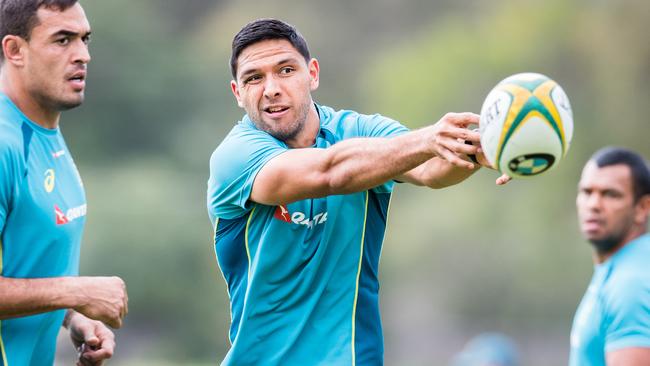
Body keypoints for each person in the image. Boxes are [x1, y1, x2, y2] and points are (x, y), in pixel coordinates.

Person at [207, 18, 508, 365]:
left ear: (313, 74)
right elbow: (329, 172)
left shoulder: (360, 131)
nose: (271, 88)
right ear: (237, 93)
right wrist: (428, 140)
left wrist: (472, 150)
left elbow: (428, 169)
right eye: (254, 78)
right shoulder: (234, 157)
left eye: (286, 70)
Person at [0, 1, 128, 365]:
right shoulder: (3, 143)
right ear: (14, 50)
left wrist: (72, 314)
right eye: (62, 40)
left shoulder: (44, 128)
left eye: (85, 39)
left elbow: (24, 263)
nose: (83, 55)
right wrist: (74, 291)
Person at [570, 147, 650, 366]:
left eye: (610, 194)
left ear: (643, 207)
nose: (594, 204)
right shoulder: (620, 269)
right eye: (587, 192)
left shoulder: (631, 284)